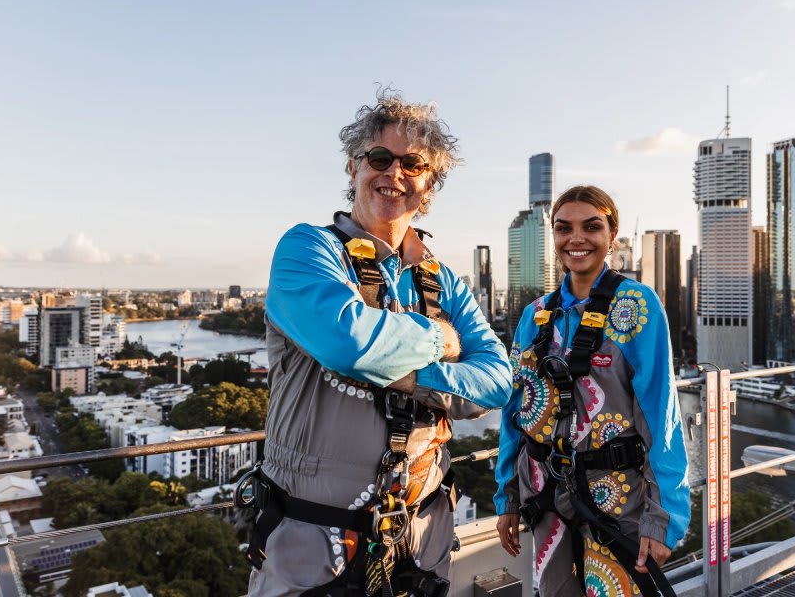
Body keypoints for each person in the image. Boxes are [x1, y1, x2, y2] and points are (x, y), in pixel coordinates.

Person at [245, 90, 512, 596]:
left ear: (429, 185)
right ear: (353, 167)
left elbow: (497, 381)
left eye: (413, 163)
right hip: (312, 543)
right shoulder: (307, 249)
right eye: (380, 158)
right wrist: (441, 338)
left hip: (424, 536)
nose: (394, 173)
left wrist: (408, 372)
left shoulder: (443, 281)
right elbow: (348, 342)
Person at [494, 185, 690, 597]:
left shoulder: (636, 306)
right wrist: (507, 497)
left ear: (612, 234)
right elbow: (517, 409)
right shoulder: (535, 315)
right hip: (544, 492)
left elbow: (660, 413)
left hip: (616, 493)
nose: (576, 238)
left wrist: (663, 518)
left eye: (591, 226)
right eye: (564, 228)